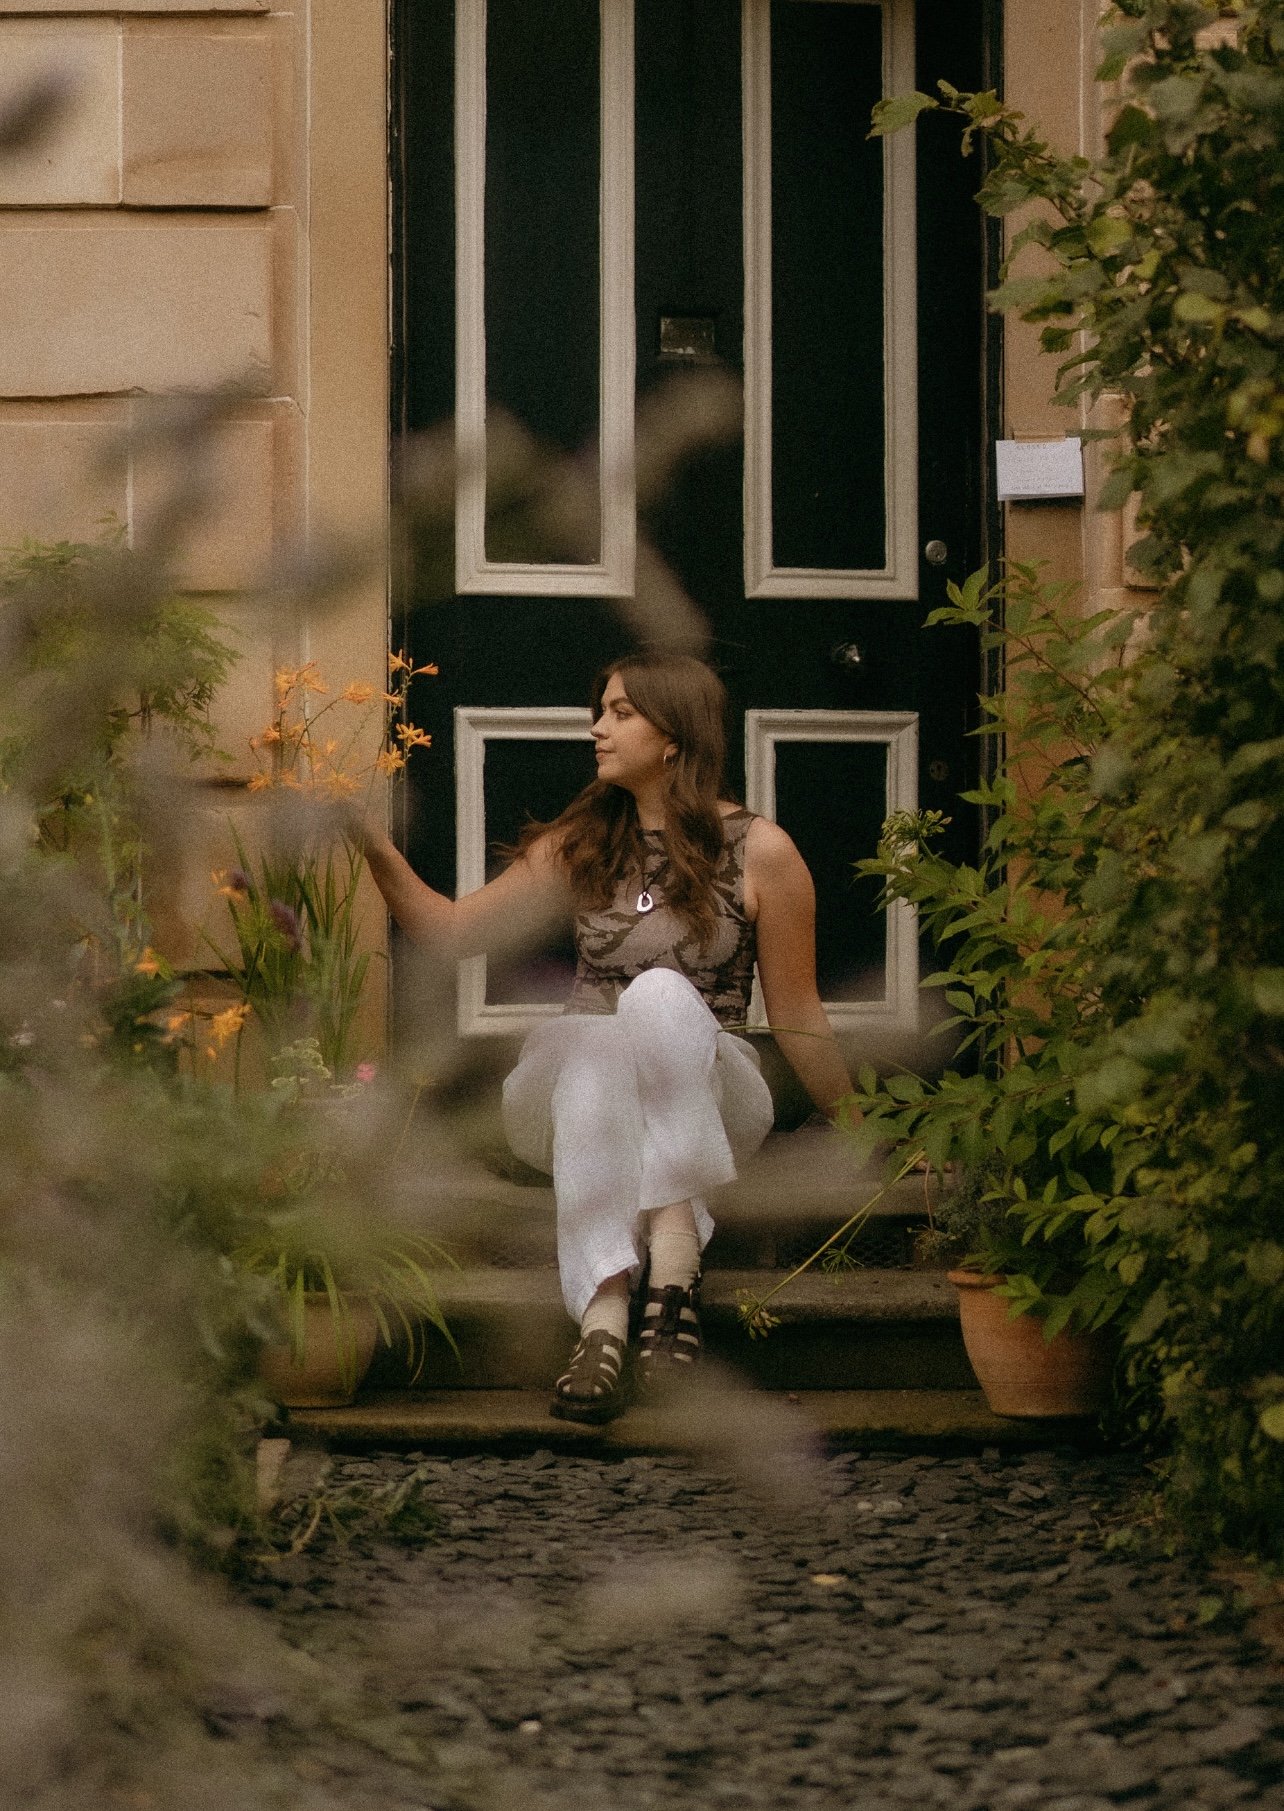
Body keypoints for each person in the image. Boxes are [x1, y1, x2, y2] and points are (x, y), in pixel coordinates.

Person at [353, 652, 853, 1424]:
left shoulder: (764, 852)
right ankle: (627, 1304)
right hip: (573, 1105)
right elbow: (453, 935)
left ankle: (648, 1279)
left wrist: (872, 1127)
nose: (598, 727)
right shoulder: (581, 842)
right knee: (589, 1039)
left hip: (714, 1098)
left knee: (656, 995)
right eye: (602, 710)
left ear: (676, 736)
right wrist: (375, 849)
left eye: (621, 713)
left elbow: (802, 1011)